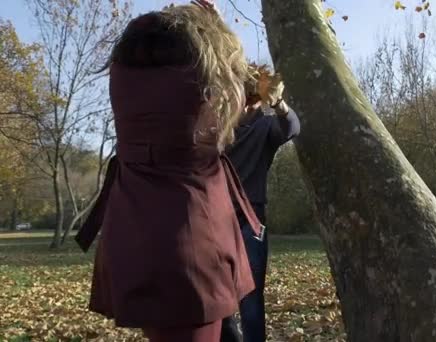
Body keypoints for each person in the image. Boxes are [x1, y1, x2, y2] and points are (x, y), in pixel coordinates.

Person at [74, 2, 263, 341]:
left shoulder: (123, 74)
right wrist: (219, 27)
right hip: (192, 249)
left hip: (135, 236)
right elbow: (250, 90)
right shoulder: (200, 87)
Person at [220, 65, 300, 342]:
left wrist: (277, 102)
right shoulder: (220, 127)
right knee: (220, 296)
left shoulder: (265, 126)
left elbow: (291, 127)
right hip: (217, 218)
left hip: (251, 217)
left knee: (251, 297)